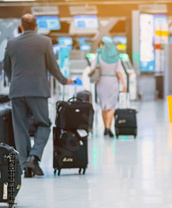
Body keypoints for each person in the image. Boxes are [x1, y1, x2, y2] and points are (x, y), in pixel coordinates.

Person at [2, 14, 74, 177]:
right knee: (44, 124)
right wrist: (63, 81)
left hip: (17, 91)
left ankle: (24, 166)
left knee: (20, 128)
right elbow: (53, 67)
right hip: (38, 91)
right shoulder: (45, 42)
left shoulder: (12, 43)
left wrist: (14, 81)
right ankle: (34, 157)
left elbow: (6, 66)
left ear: (21, 26)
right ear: (36, 26)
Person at [89, 36, 127, 137]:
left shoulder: (98, 56)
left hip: (101, 81)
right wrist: (124, 85)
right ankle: (108, 128)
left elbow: (92, 69)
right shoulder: (116, 57)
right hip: (113, 81)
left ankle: (105, 127)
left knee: (104, 106)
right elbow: (119, 72)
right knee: (111, 106)